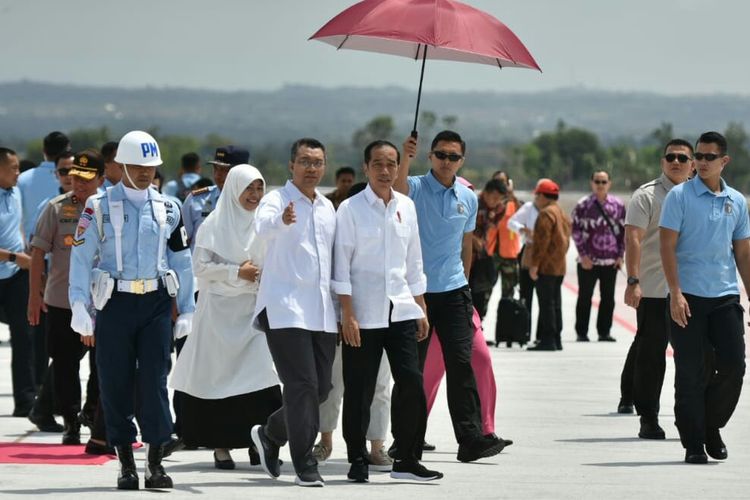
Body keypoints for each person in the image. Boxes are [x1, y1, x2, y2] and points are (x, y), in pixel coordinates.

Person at [69, 130, 195, 489]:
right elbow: (80, 257)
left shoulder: (169, 207)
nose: (145, 172)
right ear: (122, 166)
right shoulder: (98, 206)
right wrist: (79, 303)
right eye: (138, 166)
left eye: (151, 166)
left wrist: (187, 308)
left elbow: (182, 261)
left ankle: (155, 463)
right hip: (114, 303)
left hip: (155, 302)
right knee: (114, 380)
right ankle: (125, 462)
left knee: (156, 379)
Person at [395, 131, 508, 462]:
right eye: (440, 155)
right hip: (418, 294)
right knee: (411, 372)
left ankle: (471, 439)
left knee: (462, 366)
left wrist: (466, 287)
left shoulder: (468, 196)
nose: (446, 161)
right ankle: (404, 442)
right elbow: (396, 190)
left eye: (453, 157)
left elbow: (465, 244)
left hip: (455, 292)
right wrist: (405, 157)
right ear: (430, 157)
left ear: (462, 160)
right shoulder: (414, 186)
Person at [333, 140, 442, 483]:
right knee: (359, 389)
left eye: (391, 164)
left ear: (398, 168)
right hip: (363, 314)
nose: (385, 171)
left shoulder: (406, 207)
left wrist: (421, 307)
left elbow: (414, 262)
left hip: (401, 310)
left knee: (411, 383)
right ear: (365, 168)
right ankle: (356, 458)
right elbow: (341, 266)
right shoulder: (349, 210)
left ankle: (407, 459)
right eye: (378, 164)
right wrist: (347, 314)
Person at [170, 165, 282, 470]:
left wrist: (257, 275)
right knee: (219, 379)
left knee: (260, 376)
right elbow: (200, 268)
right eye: (249, 189)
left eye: (259, 189)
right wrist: (237, 272)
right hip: (218, 316)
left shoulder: (264, 225)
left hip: (252, 313)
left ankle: (260, 440)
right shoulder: (213, 225)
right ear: (234, 189)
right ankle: (221, 447)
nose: (255, 196)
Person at [250, 138, 337, 487]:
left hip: (321, 311)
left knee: (320, 389)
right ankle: (304, 463)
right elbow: (263, 225)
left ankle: (271, 433)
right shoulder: (276, 200)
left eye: (317, 162)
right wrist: (282, 221)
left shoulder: (327, 208)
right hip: (285, 308)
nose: (311, 168)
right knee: (301, 385)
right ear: (291, 165)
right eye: (304, 161)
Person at [659, 131, 750, 464]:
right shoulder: (680, 197)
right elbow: (666, 246)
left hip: (725, 296)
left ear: (724, 161)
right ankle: (694, 441)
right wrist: (675, 293)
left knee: (733, 366)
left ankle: (711, 426)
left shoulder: (737, 201)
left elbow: (743, 253)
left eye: (709, 157)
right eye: (698, 155)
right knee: (691, 372)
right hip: (689, 297)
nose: (700, 162)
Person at [616, 139, 694, 436]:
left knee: (696, 358)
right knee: (651, 356)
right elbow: (633, 239)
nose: (676, 162)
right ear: (663, 162)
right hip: (654, 291)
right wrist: (633, 281)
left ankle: (692, 418)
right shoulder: (646, 196)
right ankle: (648, 417)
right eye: (670, 157)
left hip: (692, 291)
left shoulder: (698, 196)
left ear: (692, 163)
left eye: (682, 158)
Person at [27, 150, 105, 445]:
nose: (79, 184)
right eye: (74, 178)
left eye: (86, 179)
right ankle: (70, 420)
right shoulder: (57, 208)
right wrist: (34, 296)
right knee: (64, 365)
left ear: (99, 179)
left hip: (102, 304)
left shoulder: (111, 209)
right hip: (62, 301)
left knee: (102, 364)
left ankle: (93, 411)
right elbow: (38, 253)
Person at [0, 147, 36, 418]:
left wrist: (25, 252)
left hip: (16, 277)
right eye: (13, 168)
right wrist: (14, 256)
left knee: (24, 339)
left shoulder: (16, 192)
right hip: (12, 264)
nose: (17, 172)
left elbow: (19, 227)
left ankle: (25, 401)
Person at [571, 170, 626, 342]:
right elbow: (576, 231)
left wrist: (620, 256)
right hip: (588, 261)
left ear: (609, 183)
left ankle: (604, 332)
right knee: (585, 297)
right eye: (597, 181)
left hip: (610, 261)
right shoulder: (583, 205)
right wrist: (583, 255)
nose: (600, 185)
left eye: (603, 182)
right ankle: (581, 332)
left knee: (608, 298)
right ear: (591, 183)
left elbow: (623, 232)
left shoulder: (618, 205)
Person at [527, 179, 571, 351]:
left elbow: (541, 243)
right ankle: (557, 339)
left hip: (546, 267)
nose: (536, 199)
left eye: (537, 195)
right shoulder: (561, 212)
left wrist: (534, 265)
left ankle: (548, 340)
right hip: (559, 266)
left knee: (546, 305)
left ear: (544, 196)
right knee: (556, 303)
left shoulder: (546, 214)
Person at [182, 146, 249, 249]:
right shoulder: (196, 200)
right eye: (216, 168)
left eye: (225, 170)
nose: (218, 174)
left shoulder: (253, 204)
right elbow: (183, 241)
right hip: (199, 263)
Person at [508, 179, 548, 341]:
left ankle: (541, 335)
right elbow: (512, 222)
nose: (539, 197)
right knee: (526, 294)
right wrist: (522, 229)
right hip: (529, 252)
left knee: (544, 297)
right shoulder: (528, 208)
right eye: (537, 194)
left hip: (546, 254)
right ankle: (524, 333)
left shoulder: (551, 210)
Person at [17, 131, 71, 242]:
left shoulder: (22, 179)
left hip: (30, 250)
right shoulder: (79, 181)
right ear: (68, 152)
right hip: (65, 249)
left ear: (44, 151)